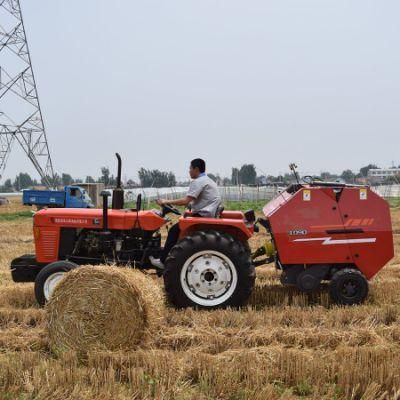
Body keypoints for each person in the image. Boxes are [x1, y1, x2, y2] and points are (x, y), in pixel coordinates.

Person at [149, 158, 221, 269]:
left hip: (203, 215)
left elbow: (185, 201)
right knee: (176, 229)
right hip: (207, 213)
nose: (189, 171)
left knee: (173, 231)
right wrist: (190, 206)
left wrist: (166, 201)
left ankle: (162, 261)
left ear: (196, 169)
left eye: (190, 168)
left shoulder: (198, 182)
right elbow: (200, 201)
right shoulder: (208, 180)